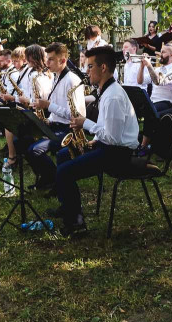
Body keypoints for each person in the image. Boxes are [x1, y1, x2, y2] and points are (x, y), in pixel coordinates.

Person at [47, 45, 139, 236]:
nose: (86, 71)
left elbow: (113, 138)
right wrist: (93, 141)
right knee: (64, 155)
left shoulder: (112, 96)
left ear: (103, 68)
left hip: (118, 153)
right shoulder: (105, 90)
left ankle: (77, 224)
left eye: (90, 67)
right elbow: (107, 130)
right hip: (109, 146)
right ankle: (69, 208)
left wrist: (85, 124)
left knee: (64, 172)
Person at [25, 42, 83, 190]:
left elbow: (76, 116)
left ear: (62, 61)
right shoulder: (57, 77)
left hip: (69, 131)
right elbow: (58, 105)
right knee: (23, 139)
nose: (46, 62)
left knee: (34, 150)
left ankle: (53, 179)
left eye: (50, 59)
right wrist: (48, 119)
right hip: (56, 125)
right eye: (47, 58)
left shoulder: (71, 80)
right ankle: (50, 178)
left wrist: (48, 106)